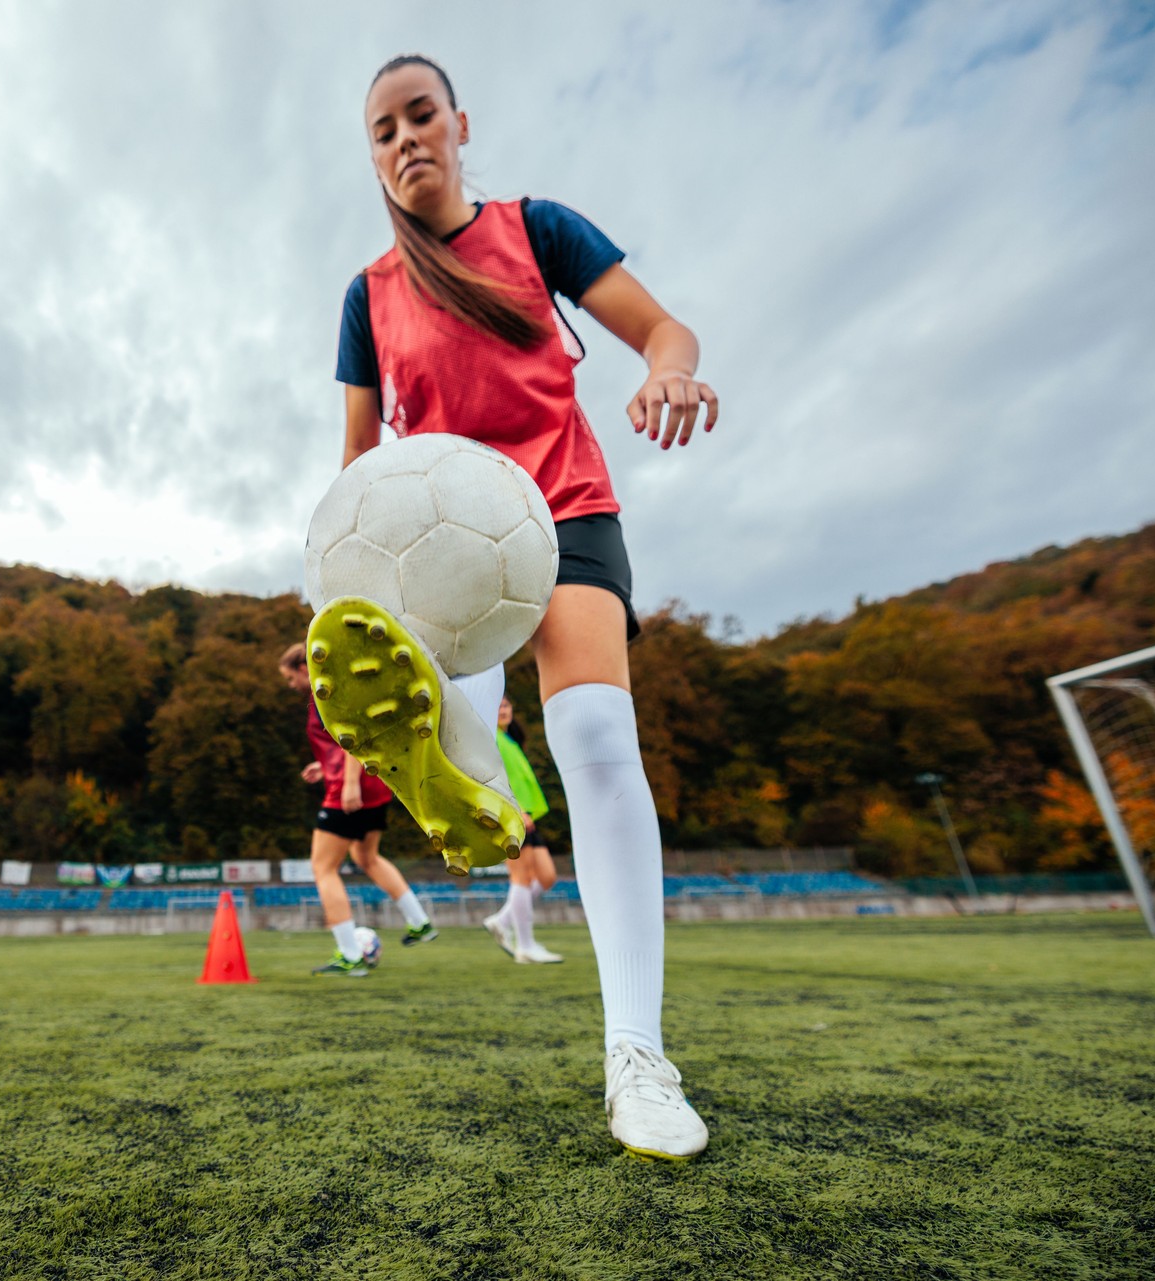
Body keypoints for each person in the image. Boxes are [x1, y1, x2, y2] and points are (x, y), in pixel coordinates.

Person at [310, 54, 719, 1158]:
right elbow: (356, 461)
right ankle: (461, 769)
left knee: (593, 731)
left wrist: (669, 372)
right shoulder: (368, 294)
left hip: (566, 510)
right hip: (436, 554)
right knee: (468, 708)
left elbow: (664, 330)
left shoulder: (539, 231)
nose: (404, 141)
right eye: (382, 129)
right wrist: (329, 602)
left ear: (459, 124)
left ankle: (638, 1057)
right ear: (374, 155)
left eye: (421, 116)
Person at [279, 642, 438, 977]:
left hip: (351, 789)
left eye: (290, 677)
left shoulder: (327, 693)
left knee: (323, 869)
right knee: (367, 858)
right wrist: (325, 767)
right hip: (375, 784)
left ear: (304, 668)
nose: (290, 684)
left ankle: (351, 955)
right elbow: (344, 743)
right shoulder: (341, 687)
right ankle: (419, 921)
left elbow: (357, 738)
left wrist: (348, 784)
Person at [483, 694, 564, 965]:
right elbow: (494, 778)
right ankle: (525, 946)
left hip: (526, 817)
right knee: (522, 878)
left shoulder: (510, 739)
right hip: (510, 816)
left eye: (506, 704)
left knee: (547, 876)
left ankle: (502, 920)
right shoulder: (489, 738)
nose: (503, 710)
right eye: (498, 706)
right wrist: (515, 809)